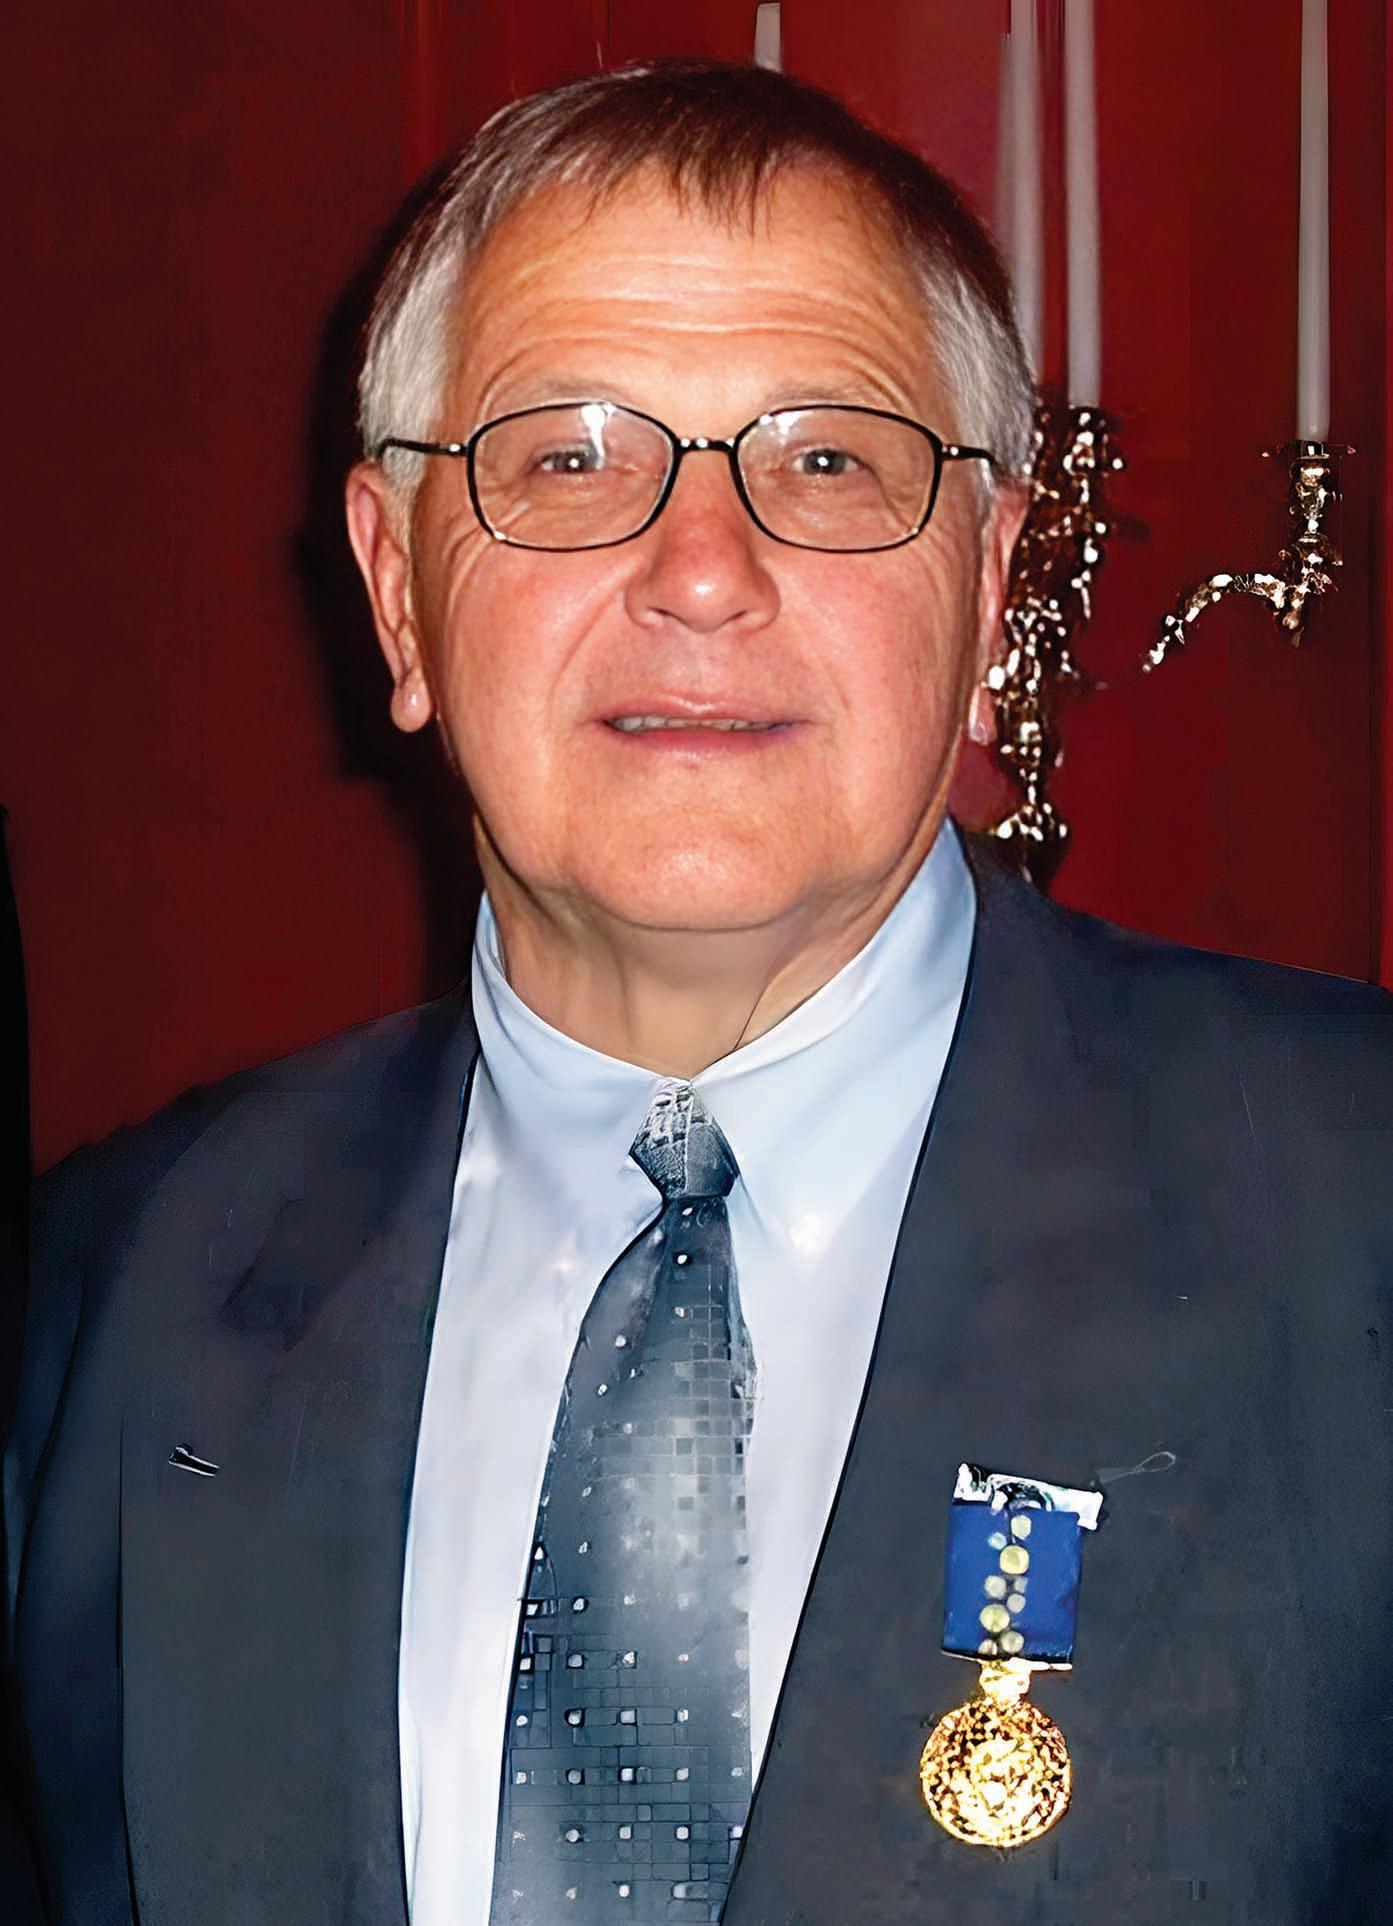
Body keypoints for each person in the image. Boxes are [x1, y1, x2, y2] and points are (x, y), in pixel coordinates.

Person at [5, 57, 1391, 1926]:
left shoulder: (1356, 1216)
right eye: (569, 455)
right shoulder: (103, 1299)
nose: (703, 572)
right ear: (398, 592)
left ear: (988, 588)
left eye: (825, 459)